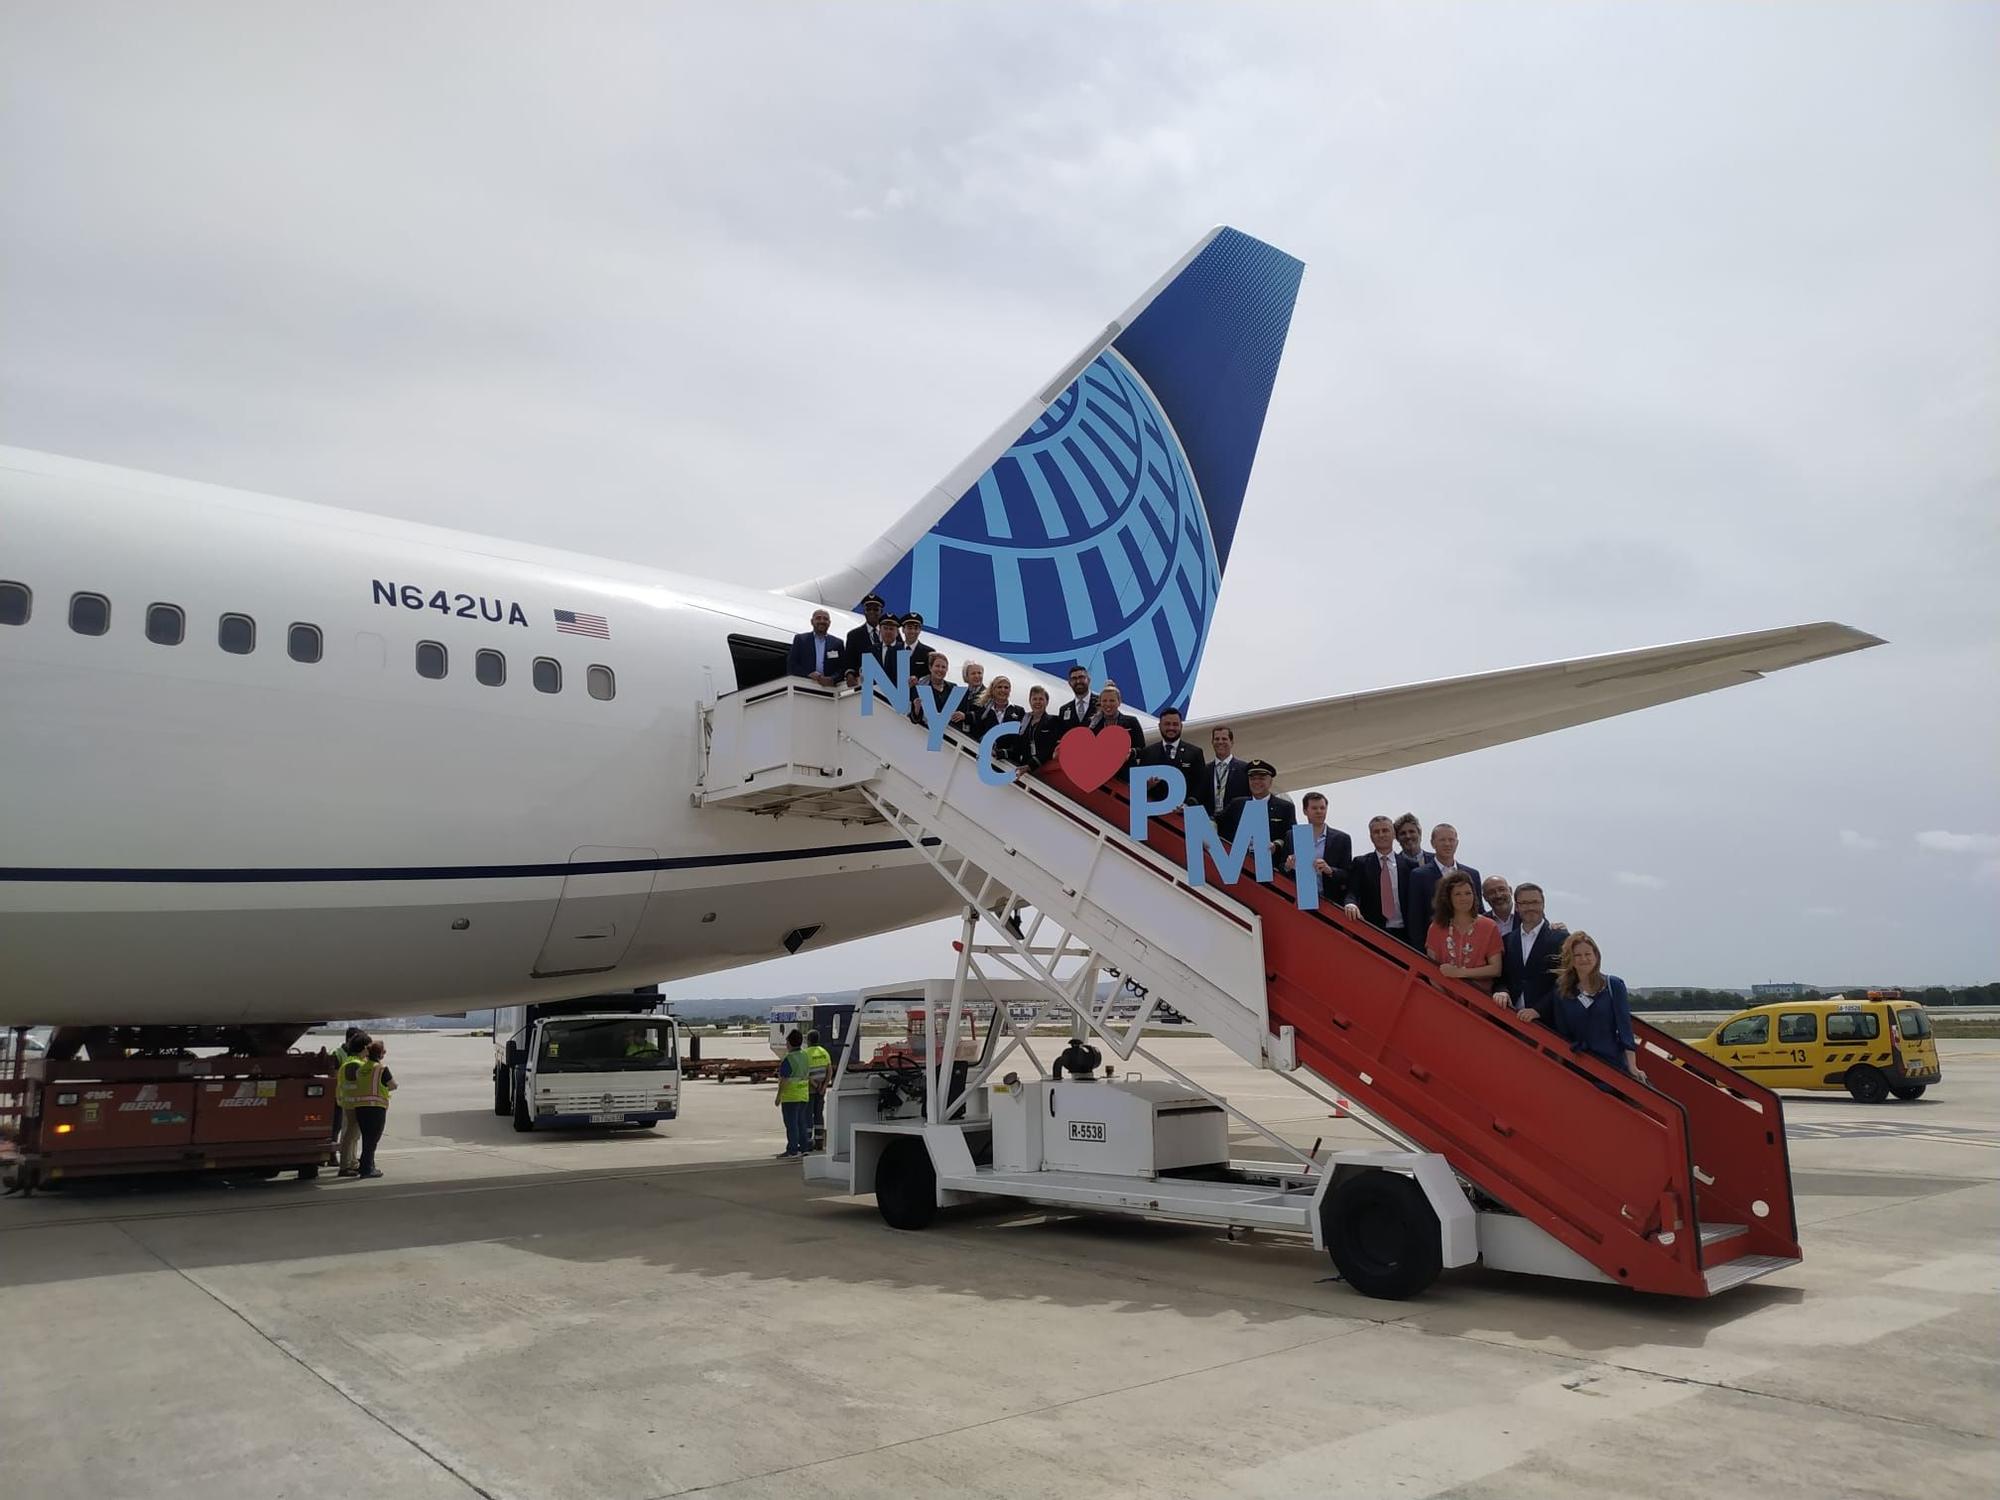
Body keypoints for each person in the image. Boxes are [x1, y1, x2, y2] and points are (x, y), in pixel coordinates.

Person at [1551, 932, 1642, 1080]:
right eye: (1577, 955)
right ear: (1571, 960)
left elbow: (1625, 1029)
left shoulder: (1613, 985)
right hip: (1579, 1065)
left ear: (1596, 956)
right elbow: (1562, 1033)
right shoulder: (1563, 991)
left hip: (1611, 1064)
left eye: (1588, 954)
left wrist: (1632, 1066)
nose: (1584, 959)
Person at [1345, 815, 1425, 949]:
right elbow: (1352, 892)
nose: (1381, 835)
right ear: (1371, 837)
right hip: (1374, 932)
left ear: (1394, 834)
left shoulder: (1411, 866)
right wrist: (1350, 904)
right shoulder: (1361, 863)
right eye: (1376, 832)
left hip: (1405, 935)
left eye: (1385, 830)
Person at [1426, 870, 1504, 995]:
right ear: (1448, 897)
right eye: (1458, 894)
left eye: (1468, 893)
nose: (1464, 898)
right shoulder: (1436, 928)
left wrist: (1460, 972)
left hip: (1479, 1002)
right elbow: (1431, 970)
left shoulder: (1489, 926)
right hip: (1443, 1000)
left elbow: (1496, 969)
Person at [1498, 883, 1567, 1023]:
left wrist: (1539, 1010)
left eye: (1535, 902)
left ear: (1543, 905)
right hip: (1509, 1017)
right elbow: (1501, 976)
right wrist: (1502, 991)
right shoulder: (1507, 940)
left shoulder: (1562, 939)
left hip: (1546, 1022)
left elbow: (1564, 981)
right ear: (1516, 907)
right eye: (1524, 903)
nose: (1530, 907)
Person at [1410, 823, 1483, 928]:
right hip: (1434, 937)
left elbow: (1478, 910)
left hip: (1468, 938)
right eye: (1442, 840)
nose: (1447, 844)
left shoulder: (1472, 874)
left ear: (1457, 843)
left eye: (1451, 840)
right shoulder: (1419, 875)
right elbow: (1415, 916)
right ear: (1433, 843)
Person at [1220, 760, 1295, 862]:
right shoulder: (1237, 804)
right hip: (1239, 864)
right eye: (1252, 778)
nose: (1256, 782)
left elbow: (1290, 836)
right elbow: (1218, 822)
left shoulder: (1285, 807)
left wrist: (1276, 845)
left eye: (1261, 778)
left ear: (1270, 781)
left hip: (1270, 865)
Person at [1288, 791, 1352, 904]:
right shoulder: (1293, 835)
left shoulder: (1342, 839)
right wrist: (1288, 866)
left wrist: (1330, 870)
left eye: (1322, 808)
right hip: (1299, 899)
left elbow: (1348, 874)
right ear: (1305, 811)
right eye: (1314, 808)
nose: (1319, 812)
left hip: (1329, 902)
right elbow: (1281, 866)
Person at [345, 1039, 396, 1180]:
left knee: (367, 1138)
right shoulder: (381, 1069)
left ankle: (367, 1165)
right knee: (372, 1139)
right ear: (380, 1054)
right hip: (375, 1108)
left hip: (361, 1108)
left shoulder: (361, 1069)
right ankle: (367, 1168)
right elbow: (392, 1085)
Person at [1138, 706, 1206, 807]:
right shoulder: (1147, 752)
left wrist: (1188, 804)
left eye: (1175, 724)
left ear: (1181, 726)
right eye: (1167, 724)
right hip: (1152, 812)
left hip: (1182, 815)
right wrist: (1146, 786)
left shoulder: (1195, 753)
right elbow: (1137, 785)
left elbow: (1201, 785)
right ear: (1159, 726)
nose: (1171, 728)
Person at [332, 1028, 370, 1163]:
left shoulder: (353, 1059)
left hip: (350, 1100)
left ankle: (351, 1159)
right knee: (348, 1132)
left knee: (353, 1134)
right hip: (351, 1101)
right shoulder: (351, 1060)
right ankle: (346, 1161)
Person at [1089, 682, 1147, 769]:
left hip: (1125, 773)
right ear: (1100, 703)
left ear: (1119, 702)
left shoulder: (1132, 722)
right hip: (1100, 772)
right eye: (1104, 701)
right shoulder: (1093, 725)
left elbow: (1143, 750)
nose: (1108, 704)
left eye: (1112, 700)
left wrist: (1131, 753)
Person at [775, 1028, 813, 1159]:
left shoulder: (788, 1059)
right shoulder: (805, 1056)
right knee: (802, 1122)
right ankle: (804, 1148)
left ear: (789, 1043)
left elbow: (784, 1080)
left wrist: (778, 1096)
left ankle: (792, 1150)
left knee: (791, 1125)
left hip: (791, 1096)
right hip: (804, 1094)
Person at [787, 609, 845, 687]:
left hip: (830, 690)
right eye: (818, 618)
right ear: (812, 621)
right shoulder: (801, 639)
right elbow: (792, 665)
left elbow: (842, 667)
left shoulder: (837, 643)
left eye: (825, 619)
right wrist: (808, 675)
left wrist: (832, 679)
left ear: (829, 623)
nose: (822, 621)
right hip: (805, 687)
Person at [909, 651, 966, 731]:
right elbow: (914, 720)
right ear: (930, 667)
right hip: (923, 733)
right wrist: (917, 709)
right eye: (937, 666)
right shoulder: (920, 687)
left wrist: (962, 715)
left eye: (943, 667)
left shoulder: (953, 688)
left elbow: (962, 711)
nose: (940, 669)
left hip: (947, 736)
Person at [1009, 684, 1061, 770]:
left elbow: (1049, 749)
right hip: (1023, 767)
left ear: (1047, 702)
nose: (1037, 702)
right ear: (1030, 701)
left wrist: (1030, 766)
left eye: (1041, 699)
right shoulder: (1024, 720)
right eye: (1034, 699)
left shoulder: (1053, 721)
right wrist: (1002, 753)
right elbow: (1017, 746)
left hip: (1041, 770)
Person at [843, 594, 889, 685]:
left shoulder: (891, 633)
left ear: (881, 611)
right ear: (864, 611)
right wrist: (849, 674)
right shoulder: (854, 635)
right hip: (865, 686)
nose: (872, 612)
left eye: (876, 609)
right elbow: (849, 662)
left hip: (889, 685)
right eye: (868, 609)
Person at [1206, 725, 1251, 817]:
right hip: (1209, 822)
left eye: (1224, 739)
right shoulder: (1205, 770)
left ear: (1232, 742)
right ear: (1212, 742)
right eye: (1217, 739)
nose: (1220, 742)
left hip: (1235, 822)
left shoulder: (1244, 769)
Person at [967, 673, 1023, 743]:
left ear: (1010, 690)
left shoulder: (1019, 711)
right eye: (999, 687)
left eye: (1006, 687)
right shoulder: (982, 708)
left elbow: (1019, 738)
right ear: (993, 690)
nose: (1003, 690)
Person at [803, 1028, 834, 1150]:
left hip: (811, 1089)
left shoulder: (805, 1053)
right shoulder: (824, 1052)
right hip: (821, 1089)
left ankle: (808, 1141)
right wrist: (824, 1086)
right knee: (819, 1114)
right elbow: (829, 1070)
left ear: (808, 1040)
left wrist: (816, 1086)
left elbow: (806, 1073)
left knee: (808, 1115)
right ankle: (819, 1141)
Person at [1057, 664, 1096, 730]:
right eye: (1074, 679)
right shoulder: (1063, 710)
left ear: (1088, 680)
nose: (1078, 681)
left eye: (1081, 677)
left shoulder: (1102, 704)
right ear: (1069, 683)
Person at [898, 612, 935, 679]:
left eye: (916, 628)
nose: (913, 631)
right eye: (910, 628)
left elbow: (931, 677)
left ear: (920, 630)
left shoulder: (928, 652)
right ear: (903, 630)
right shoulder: (894, 650)